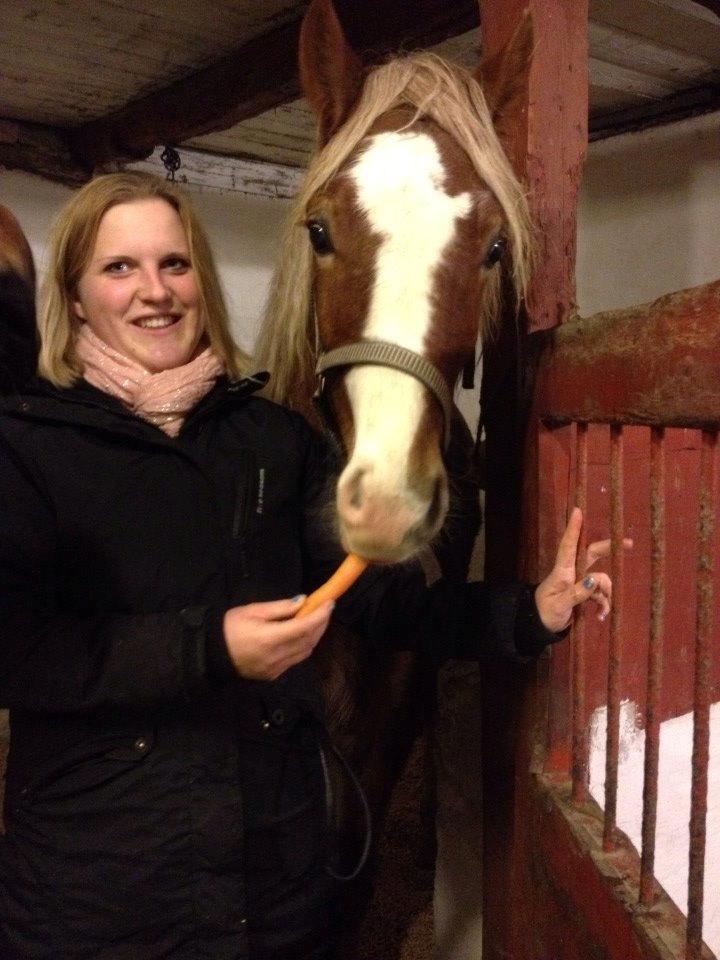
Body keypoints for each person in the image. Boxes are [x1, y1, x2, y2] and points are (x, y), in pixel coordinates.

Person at [0, 171, 617, 960]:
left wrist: (530, 611)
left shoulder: (272, 442)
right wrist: (209, 647)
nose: (154, 291)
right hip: (101, 897)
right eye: (120, 268)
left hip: (277, 884)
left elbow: (391, 607)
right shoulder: (26, 447)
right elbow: (14, 651)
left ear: (203, 284)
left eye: (175, 265)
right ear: (77, 297)